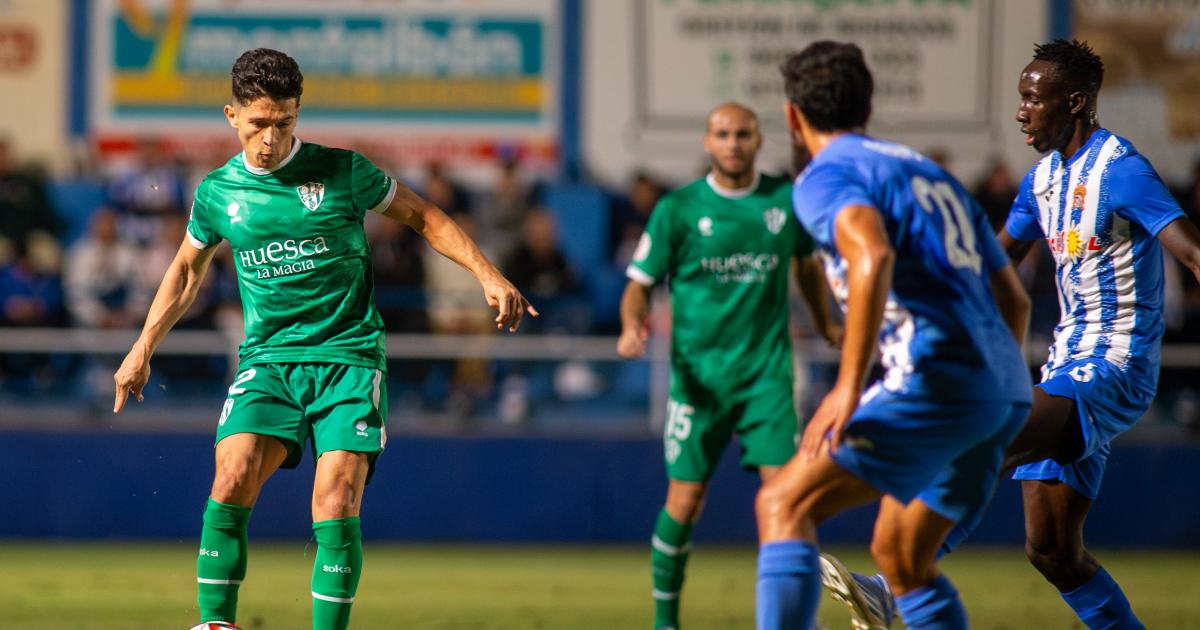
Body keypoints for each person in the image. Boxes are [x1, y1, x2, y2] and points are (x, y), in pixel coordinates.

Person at [111, 48, 535, 630]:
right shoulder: (217, 192)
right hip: (269, 360)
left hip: (349, 358)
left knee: (335, 498)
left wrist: (486, 273)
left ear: (297, 114)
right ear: (231, 115)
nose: (270, 136)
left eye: (283, 122)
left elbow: (425, 217)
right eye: (258, 122)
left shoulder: (344, 171)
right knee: (231, 476)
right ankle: (215, 624)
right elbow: (186, 271)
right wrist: (141, 349)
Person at [821, 39, 1200, 630]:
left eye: (1034, 99)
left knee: (984, 438)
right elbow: (993, 268)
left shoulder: (1122, 171)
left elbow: (1193, 254)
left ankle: (895, 591)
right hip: (1065, 365)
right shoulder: (1042, 181)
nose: (1022, 110)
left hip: (1115, 366)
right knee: (1052, 551)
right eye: (1020, 98)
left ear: (1074, 102)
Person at [755, 41, 1033, 630]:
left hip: (933, 376)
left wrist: (848, 387)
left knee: (782, 504)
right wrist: (991, 387)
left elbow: (871, 252)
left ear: (792, 116)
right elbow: (1014, 297)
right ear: (868, 105)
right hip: (1005, 389)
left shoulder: (825, 175)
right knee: (902, 559)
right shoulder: (929, 173)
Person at [616, 101, 841, 630]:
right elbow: (637, 286)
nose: (734, 142)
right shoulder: (678, 208)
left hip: (766, 379)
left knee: (787, 499)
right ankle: (664, 621)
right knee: (685, 499)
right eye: (723, 134)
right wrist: (632, 325)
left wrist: (825, 321)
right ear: (707, 141)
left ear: (759, 140)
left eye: (743, 133)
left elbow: (806, 268)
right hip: (698, 384)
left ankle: (794, 620)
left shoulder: (784, 202)